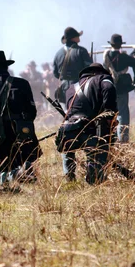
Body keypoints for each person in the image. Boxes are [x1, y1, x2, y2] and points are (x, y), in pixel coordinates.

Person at [0, 50, 41, 190]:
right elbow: (31, 112)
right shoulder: (22, 83)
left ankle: (5, 179)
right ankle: (20, 174)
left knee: (0, 161)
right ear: (6, 67)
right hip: (20, 130)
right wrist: (23, 125)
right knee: (23, 156)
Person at [56, 63, 117, 184]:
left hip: (70, 130)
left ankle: (69, 177)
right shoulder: (103, 79)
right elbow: (109, 88)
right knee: (100, 141)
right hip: (91, 130)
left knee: (67, 147)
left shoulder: (71, 87)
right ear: (99, 72)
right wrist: (110, 115)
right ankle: (94, 176)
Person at [52, 27, 92, 180]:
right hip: (79, 88)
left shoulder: (58, 53)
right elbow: (90, 68)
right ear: (74, 38)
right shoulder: (81, 51)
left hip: (63, 90)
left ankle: (69, 170)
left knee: (67, 121)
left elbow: (56, 73)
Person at [102, 34, 135, 143]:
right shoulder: (123, 57)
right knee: (122, 113)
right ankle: (122, 139)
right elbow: (134, 62)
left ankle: (112, 138)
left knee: (111, 113)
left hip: (109, 87)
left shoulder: (106, 56)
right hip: (121, 88)